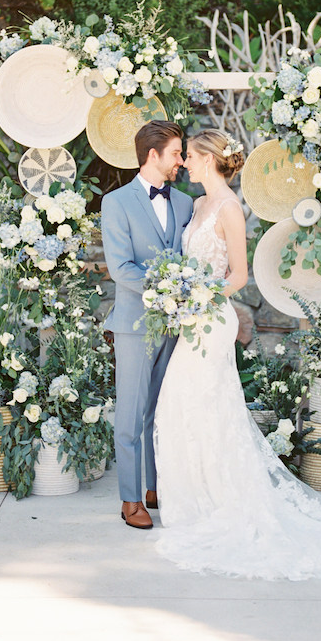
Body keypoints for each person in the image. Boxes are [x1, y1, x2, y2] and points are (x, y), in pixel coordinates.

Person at [153, 128, 321, 580]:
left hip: (211, 317)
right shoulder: (198, 205)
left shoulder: (229, 208)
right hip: (191, 318)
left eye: (191, 157)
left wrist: (197, 294)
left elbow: (239, 275)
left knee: (200, 403)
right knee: (182, 407)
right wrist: (178, 294)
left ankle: (219, 501)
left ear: (209, 159)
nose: (184, 163)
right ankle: (196, 500)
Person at [101, 120, 194, 530]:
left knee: (162, 410)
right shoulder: (116, 203)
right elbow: (121, 269)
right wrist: (167, 290)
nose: (182, 161)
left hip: (176, 327)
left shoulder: (187, 204)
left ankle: (156, 488)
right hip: (134, 324)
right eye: (176, 153)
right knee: (132, 412)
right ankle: (130, 499)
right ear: (152, 155)